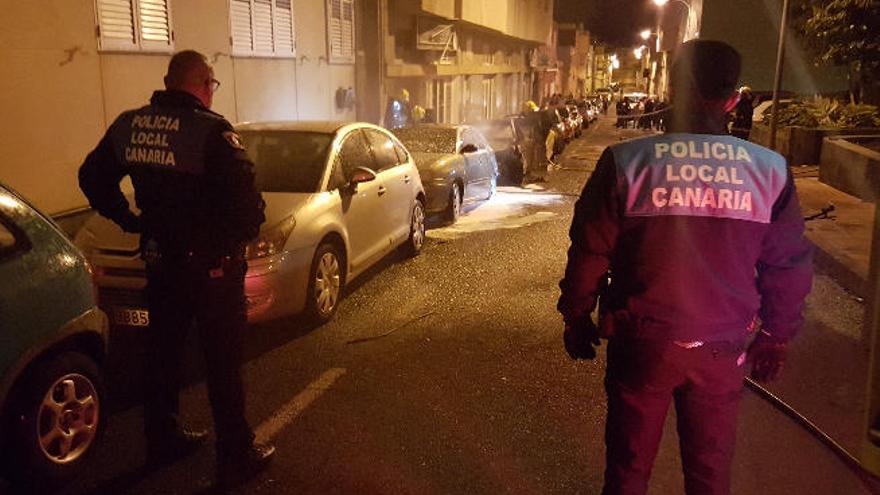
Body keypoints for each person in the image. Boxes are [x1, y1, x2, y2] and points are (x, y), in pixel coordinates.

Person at [557, 40, 812, 495]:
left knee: (628, 470)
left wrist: (576, 315)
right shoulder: (769, 171)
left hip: (643, 344)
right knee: (709, 471)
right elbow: (787, 265)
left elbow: (589, 250)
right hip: (722, 347)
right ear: (734, 99)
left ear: (673, 88)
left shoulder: (627, 162)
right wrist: (776, 337)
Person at [78, 49, 275, 487]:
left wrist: (129, 219)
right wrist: (231, 236)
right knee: (223, 365)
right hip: (212, 272)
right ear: (203, 83)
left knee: (161, 357)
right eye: (212, 84)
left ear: (168, 83)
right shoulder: (212, 132)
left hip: (161, 264)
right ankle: (234, 457)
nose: (212, 91)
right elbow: (248, 211)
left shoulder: (131, 125)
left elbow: (91, 177)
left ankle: (162, 438)